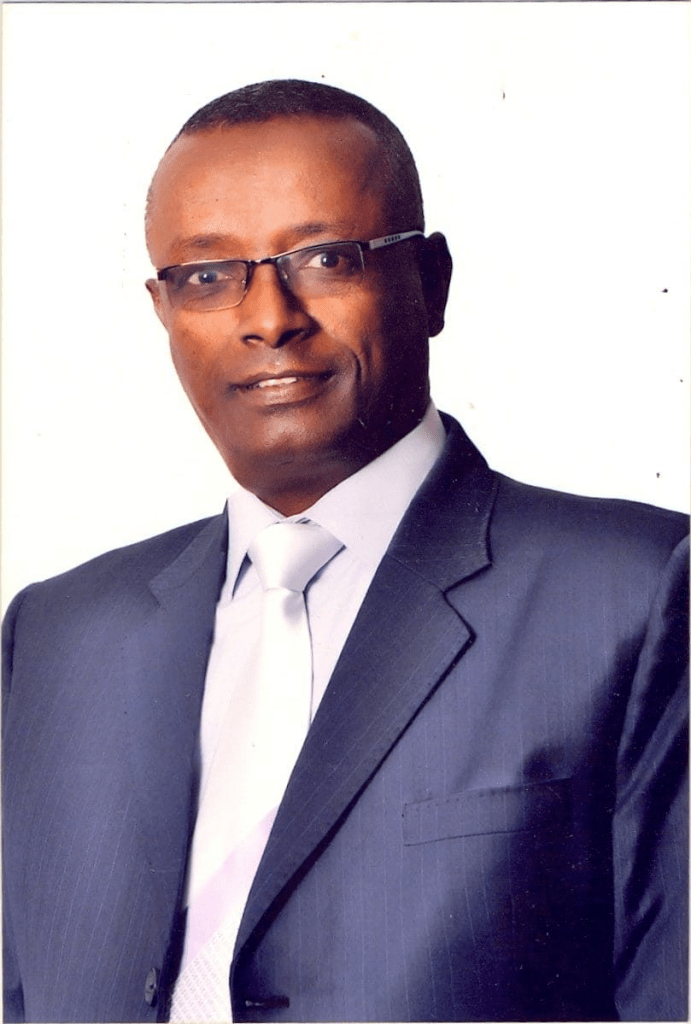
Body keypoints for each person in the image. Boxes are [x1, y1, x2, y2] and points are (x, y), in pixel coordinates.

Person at [2, 79, 687, 1024]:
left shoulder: (635, 593)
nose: (268, 316)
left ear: (431, 283)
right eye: (207, 276)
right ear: (161, 310)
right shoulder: (56, 635)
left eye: (326, 258)